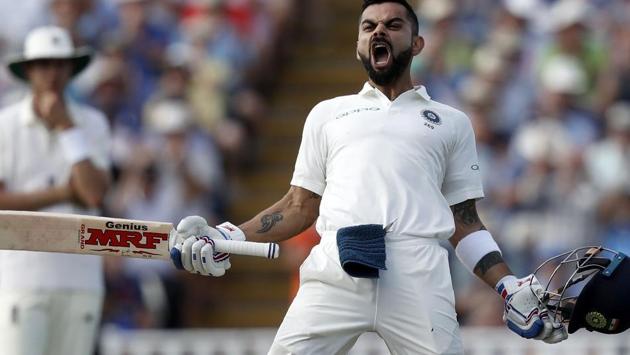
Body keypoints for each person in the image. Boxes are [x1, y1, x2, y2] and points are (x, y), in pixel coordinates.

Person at [169, 1, 568, 354]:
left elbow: (464, 224)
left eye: (394, 25)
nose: (379, 30)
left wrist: (509, 286)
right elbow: (298, 206)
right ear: (359, 45)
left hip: (418, 272)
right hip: (335, 270)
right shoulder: (327, 113)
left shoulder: (451, 122)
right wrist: (228, 236)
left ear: (417, 44)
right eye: (368, 26)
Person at [0, 26, 111, 355]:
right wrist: (64, 192)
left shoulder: (91, 123)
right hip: (21, 278)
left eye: (60, 64)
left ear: (70, 69)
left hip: (80, 279)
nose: (53, 73)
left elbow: (92, 194)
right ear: (30, 70)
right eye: (44, 64)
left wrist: (66, 127)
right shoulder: (5, 125)